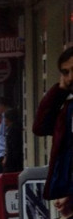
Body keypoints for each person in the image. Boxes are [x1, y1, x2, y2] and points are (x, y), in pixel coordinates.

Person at [34, 46, 73, 200]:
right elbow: (40, 127)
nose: (70, 78)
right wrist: (59, 91)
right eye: (65, 73)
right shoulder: (68, 107)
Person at [2, 108, 24, 173]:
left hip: (12, 162)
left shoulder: (12, 130)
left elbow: (11, 147)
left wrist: (6, 159)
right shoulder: (17, 128)